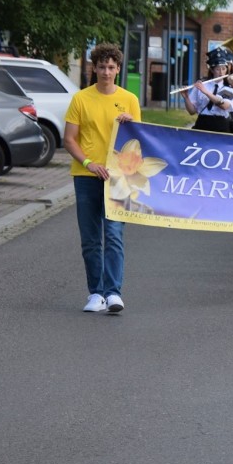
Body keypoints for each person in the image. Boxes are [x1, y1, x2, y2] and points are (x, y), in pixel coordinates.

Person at [63, 43, 141, 313]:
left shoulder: (129, 99)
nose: (106, 72)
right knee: (90, 239)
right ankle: (95, 293)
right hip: (86, 175)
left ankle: (113, 293)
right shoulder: (81, 99)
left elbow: (138, 143)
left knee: (114, 234)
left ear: (118, 69)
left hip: (118, 178)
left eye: (111, 67)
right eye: (101, 67)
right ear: (94, 68)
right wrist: (88, 163)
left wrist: (132, 124)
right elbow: (69, 139)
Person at [179, 50, 233, 133]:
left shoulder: (229, 88)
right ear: (211, 70)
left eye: (223, 69)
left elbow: (223, 106)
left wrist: (205, 92)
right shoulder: (201, 85)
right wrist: (186, 97)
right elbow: (191, 111)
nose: (221, 73)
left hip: (221, 125)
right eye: (218, 69)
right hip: (203, 123)